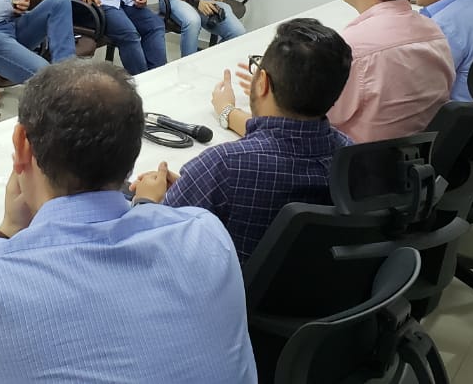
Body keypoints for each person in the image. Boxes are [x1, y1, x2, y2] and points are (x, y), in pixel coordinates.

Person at [0, 60, 257, 383]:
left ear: (21, 145)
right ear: (133, 150)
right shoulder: (207, 237)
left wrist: (7, 231)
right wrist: (147, 207)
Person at [129, 18, 353, 263]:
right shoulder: (353, 157)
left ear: (263, 83)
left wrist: (146, 202)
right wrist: (195, 184)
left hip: (223, 296)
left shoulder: (223, 165)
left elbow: (147, 244)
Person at [329, 0, 454, 142]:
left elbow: (306, 118)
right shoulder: (435, 34)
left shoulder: (353, 49)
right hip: (410, 167)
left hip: (351, 170)